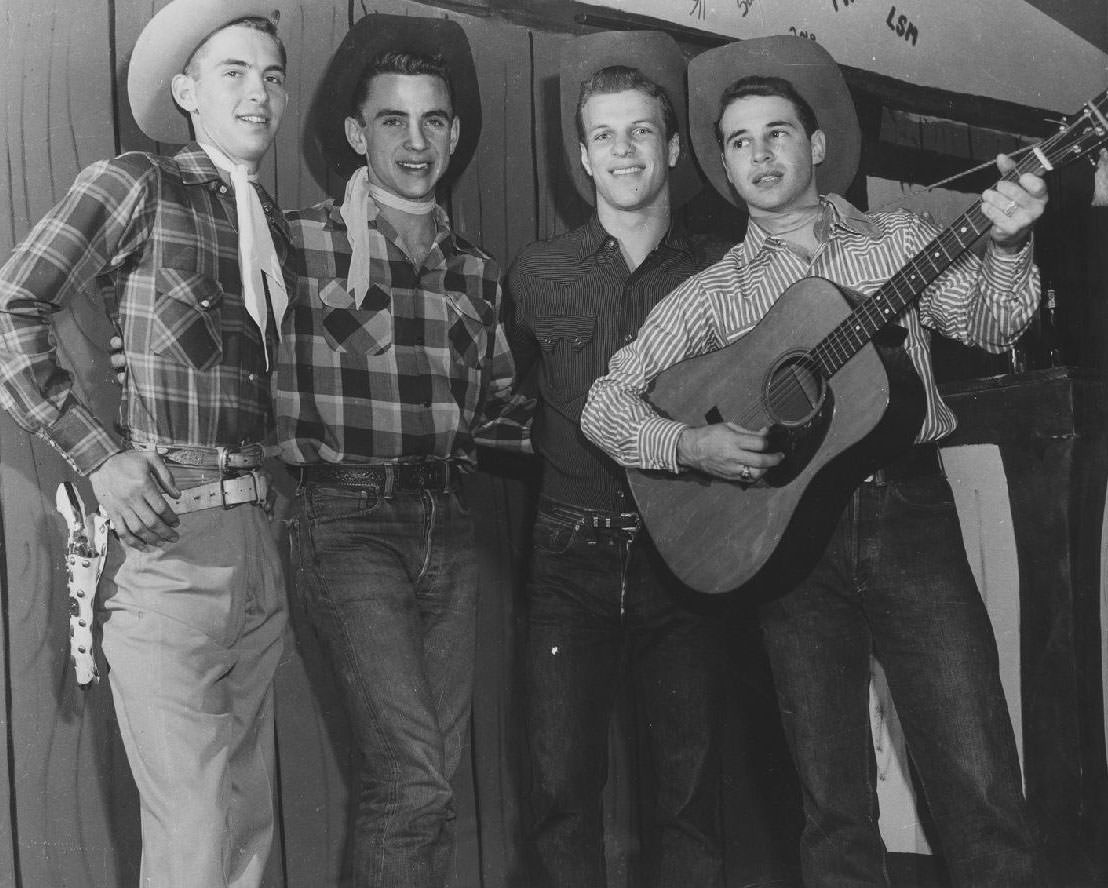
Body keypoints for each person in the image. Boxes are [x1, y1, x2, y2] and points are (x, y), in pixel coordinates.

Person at [581, 35, 1051, 887]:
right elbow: (604, 404)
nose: (759, 156)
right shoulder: (714, 294)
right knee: (832, 804)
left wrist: (1010, 244)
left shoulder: (900, 238)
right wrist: (690, 443)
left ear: (817, 145)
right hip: (788, 545)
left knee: (977, 777)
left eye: (777, 134)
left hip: (911, 521)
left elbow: (994, 326)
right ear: (723, 167)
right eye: (738, 142)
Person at [0, 1, 291, 886]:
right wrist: (100, 454)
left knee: (246, 826)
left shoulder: (269, 222)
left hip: (258, 545)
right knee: (197, 833)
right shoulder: (135, 182)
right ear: (186, 91)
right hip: (170, 549)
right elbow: (10, 312)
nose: (259, 94)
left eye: (273, 76)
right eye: (234, 72)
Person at [277, 16, 531, 888]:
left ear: (455, 134)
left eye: (434, 121)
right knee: (411, 780)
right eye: (393, 120)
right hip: (344, 521)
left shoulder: (476, 272)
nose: (416, 142)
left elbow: (499, 415)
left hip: (448, 528)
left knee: (433, 785)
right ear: (358, 133)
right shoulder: (301, 244)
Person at [505, 31, 727, 888]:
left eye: (642, 132)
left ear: (672, 147)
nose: (624, 150)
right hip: (568, 560)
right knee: (562, 794)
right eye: (605, 135)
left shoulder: (720, 270)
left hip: (688, 555)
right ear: (584, 157)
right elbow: (504, 401)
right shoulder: (537, 273)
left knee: (691, 794)